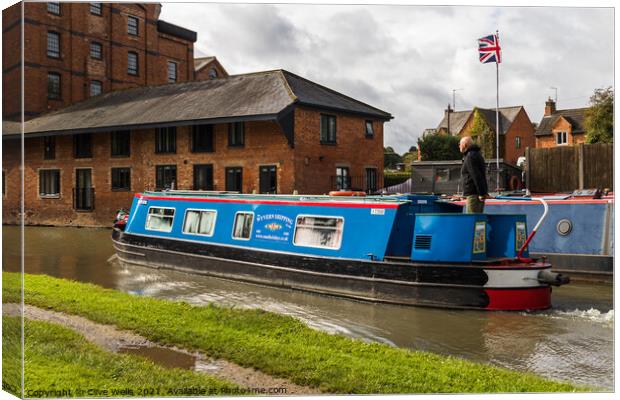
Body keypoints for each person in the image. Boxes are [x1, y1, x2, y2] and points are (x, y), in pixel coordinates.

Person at [459, 136, 490, 213]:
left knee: (471, 221)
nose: (459, 146)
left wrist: (482, 194)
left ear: (465, 145)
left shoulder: (470, 156)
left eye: (460, 144)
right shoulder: (477, 154)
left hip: (474, 196)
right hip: (476, 194)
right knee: (477, 221)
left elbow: (476, 176)